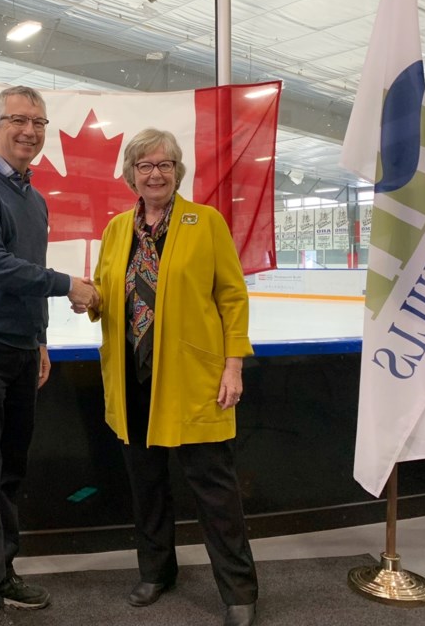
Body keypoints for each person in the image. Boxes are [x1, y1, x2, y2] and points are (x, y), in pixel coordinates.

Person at [0, 85, 98, 626]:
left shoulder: (34, 199)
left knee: (8, 472)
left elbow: (26, 274)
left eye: (39, 122)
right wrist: (68, 286)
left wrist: (41, 337)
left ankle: (1, 574)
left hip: (19, 349)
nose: (29, 131)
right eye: (18, 120)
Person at [87, 128, 259, 626]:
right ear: (131, 175)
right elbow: (105, 292)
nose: (155, 173)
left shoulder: (205, 222)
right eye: (145, 166)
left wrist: (233, 364)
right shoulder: (117, 229)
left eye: (164, 165)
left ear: (177, 171)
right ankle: (157, 571)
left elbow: (232, 296)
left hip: (194, 379)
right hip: (134, 376)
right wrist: (87, 296)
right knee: (147, 486)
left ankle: (239, 593)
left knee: (215, 491)